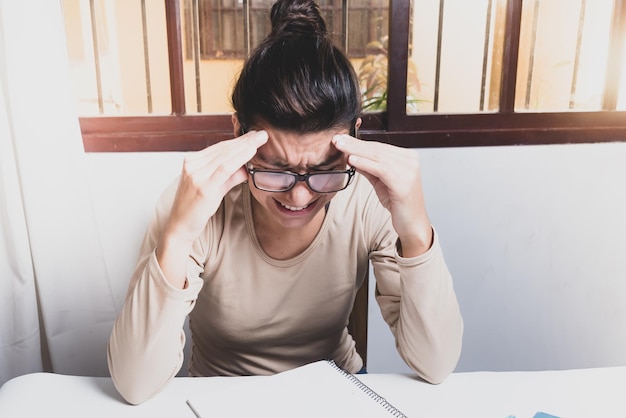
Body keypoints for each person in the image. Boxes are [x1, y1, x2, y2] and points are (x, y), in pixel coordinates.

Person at [108, 0, 463, 405]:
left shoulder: (368, 199)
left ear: (354, 138)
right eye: (275, 169)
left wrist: (415, 225)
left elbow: (435, 363)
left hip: (338, 392)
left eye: (324, 170)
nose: (299, 195)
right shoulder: (199, 200)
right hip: (222, 398)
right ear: (239, 132)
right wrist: (178, 235)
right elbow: (134, 383)